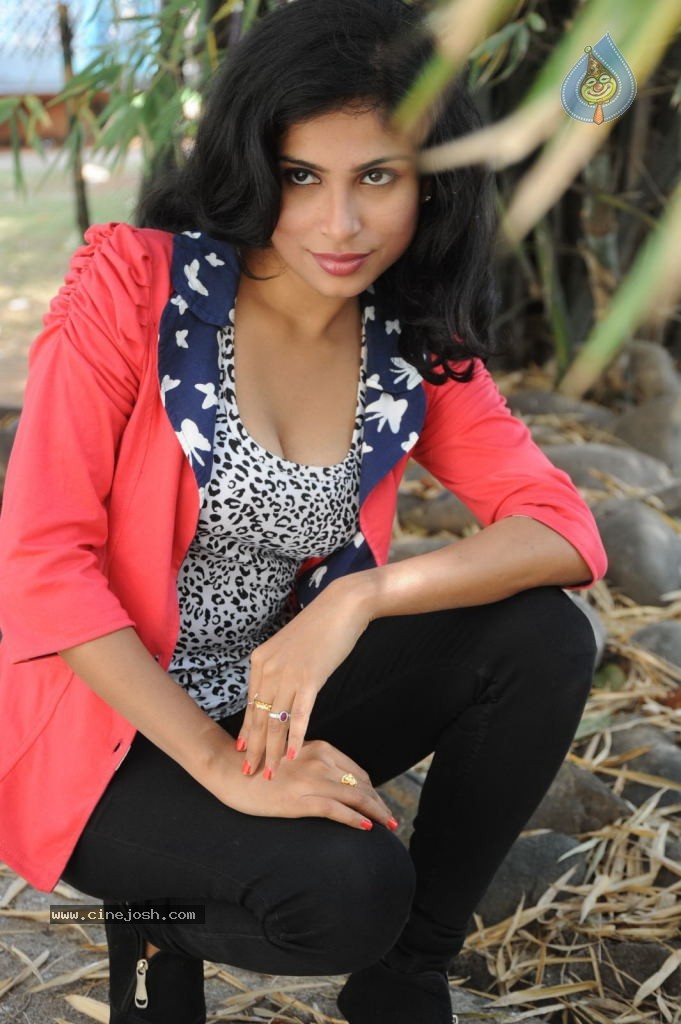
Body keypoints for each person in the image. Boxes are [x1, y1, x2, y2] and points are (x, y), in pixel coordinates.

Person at [0, 1, 607, 1022]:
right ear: (253, 165)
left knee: (544, 636)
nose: (340, 224)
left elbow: (562, 529)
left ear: (432, 179)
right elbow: (40, 568)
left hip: (270, 705)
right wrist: (215, 767)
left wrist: (357, 599)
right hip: (105, 727)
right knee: (346, 894)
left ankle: (407, 976)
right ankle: (158, 918)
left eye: (377, 177)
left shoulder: (406, 340)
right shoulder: (134, 289)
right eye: (301, 176)